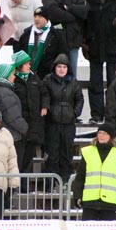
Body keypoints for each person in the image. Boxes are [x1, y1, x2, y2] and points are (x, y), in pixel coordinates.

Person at [72, 123, 116, 221]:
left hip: (109, 203)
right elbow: (80, 176)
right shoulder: (88, 152)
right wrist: (77, 195)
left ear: (111, 137)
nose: (101, 136)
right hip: (90, 202)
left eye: (104, 133)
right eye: (99, 133)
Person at [41, 0, 88, 80]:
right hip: (55, 42)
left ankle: (72, 97)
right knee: (55, 74)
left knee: (71, 75)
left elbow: (85, 12)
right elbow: (53, 12)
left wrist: (69, 8)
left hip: (73, 41)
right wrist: (72, 16)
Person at [43, 53, 84, 186]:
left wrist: (74, 113)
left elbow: (80, 99)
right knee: (52, 153)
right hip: (52, 123)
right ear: (55, 67)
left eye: (64, 67)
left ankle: (66, 181)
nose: (61, 69)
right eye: (59, 66)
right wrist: (49, 111)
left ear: (68, 69)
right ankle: (50, 183)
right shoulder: (48, 80)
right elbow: (45, 96)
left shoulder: (73, 81)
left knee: (66, 153)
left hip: (68, 123)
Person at [11, 50, 49, 176]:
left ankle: (25, 185)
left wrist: (44, 106)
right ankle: (17, 184)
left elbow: (44, 93)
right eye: (26, 63)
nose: (29, 66)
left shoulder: (35, 78)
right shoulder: (14, 81)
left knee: (29, 156)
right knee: (18, 156)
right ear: (20, 66)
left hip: (34, 123)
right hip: (20, 124)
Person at [0, 61, 29, 173]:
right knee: (12, 169)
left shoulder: (1, 90)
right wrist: (26, 129)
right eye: (12, 74)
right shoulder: (5, 93)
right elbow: (13, 117)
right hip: (13, 137)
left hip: (7, 135)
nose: (14, 77)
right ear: (6, 76)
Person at [16, 7, 68, 79]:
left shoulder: (56, 35)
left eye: (40, 17)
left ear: (47, 19)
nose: (37, 19)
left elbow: (62, 55)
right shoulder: (26, 34)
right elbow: (19, 53)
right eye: (35, 16)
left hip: (47, 75)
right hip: (27, 74)